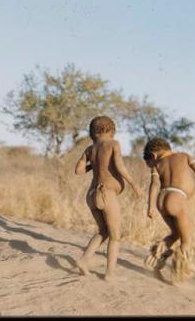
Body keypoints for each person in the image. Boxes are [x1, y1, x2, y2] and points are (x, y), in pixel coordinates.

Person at [74, 116, 142, 281]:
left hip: (91, 195)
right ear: (111, 131)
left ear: (93, 132)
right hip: (106, 194)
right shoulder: (113, 144)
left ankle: (84, 260)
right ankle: (110, 273)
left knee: (103, 231)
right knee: (115, 235)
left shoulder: (90, 149)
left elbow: (79, 170)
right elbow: (120, 166)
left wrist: (95, 164)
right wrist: (134, 185)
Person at [142, 137, 195, 284]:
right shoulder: (184, 156)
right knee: (186, 240)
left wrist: (150, 206)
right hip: (177, 197)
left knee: (176, 233)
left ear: (154, 155)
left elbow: (154, 185)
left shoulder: (157, 166)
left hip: (161, 200)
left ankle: (156, 257)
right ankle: (179, 276)